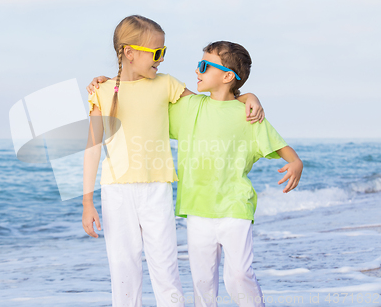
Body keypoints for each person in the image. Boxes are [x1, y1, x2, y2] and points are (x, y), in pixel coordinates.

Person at [82, 15, 264, 307]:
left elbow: (213, 103)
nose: (161, 59)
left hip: (157, 189)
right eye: (157, 53)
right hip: (116, 192)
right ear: (129, 53)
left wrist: (248, 96)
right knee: (123, 270)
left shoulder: (166, 84)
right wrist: (87, 202)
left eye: (163, 52)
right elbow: (91, 147)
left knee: (165, 268)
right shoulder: (102, 92)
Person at [168, 41, 303, 307]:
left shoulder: (249, 114)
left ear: (228, 76)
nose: (197, 70)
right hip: (197, 207)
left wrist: (296, 163)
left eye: (204, 65)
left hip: (235, 205)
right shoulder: (190, 107)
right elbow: (150, 91)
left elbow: (282, 148)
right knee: (203, 282)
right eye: (198, 64)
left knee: (239, 274)